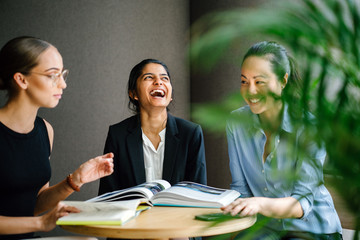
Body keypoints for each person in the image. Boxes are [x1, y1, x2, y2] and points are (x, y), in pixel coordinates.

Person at [221, 41, 342, 239]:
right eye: (244, 81)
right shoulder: (236, 123)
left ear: (283, 81)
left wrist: (259, 204)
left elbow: (301, 205)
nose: (250, 91)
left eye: (259, 81)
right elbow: (240, 189)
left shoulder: (309, 128)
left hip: (311, 229)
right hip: (265, 230)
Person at [0, 36, 114, 240]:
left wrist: (75, 180)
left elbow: (34, 204)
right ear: (21, 79)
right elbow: (38, 218)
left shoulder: (45, 130)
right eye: (53, 75)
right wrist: (42, 223)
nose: (62, 84)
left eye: (63, 75)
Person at [99, 58, 207, 195]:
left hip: (177, 216)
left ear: (170, 95)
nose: (158, 82)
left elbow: (199, 194)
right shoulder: (118, 135)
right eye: (149, 77)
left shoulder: (190, 133)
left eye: (164, 78)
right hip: (133, 215)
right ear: (133, 94)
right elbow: (108, 195)